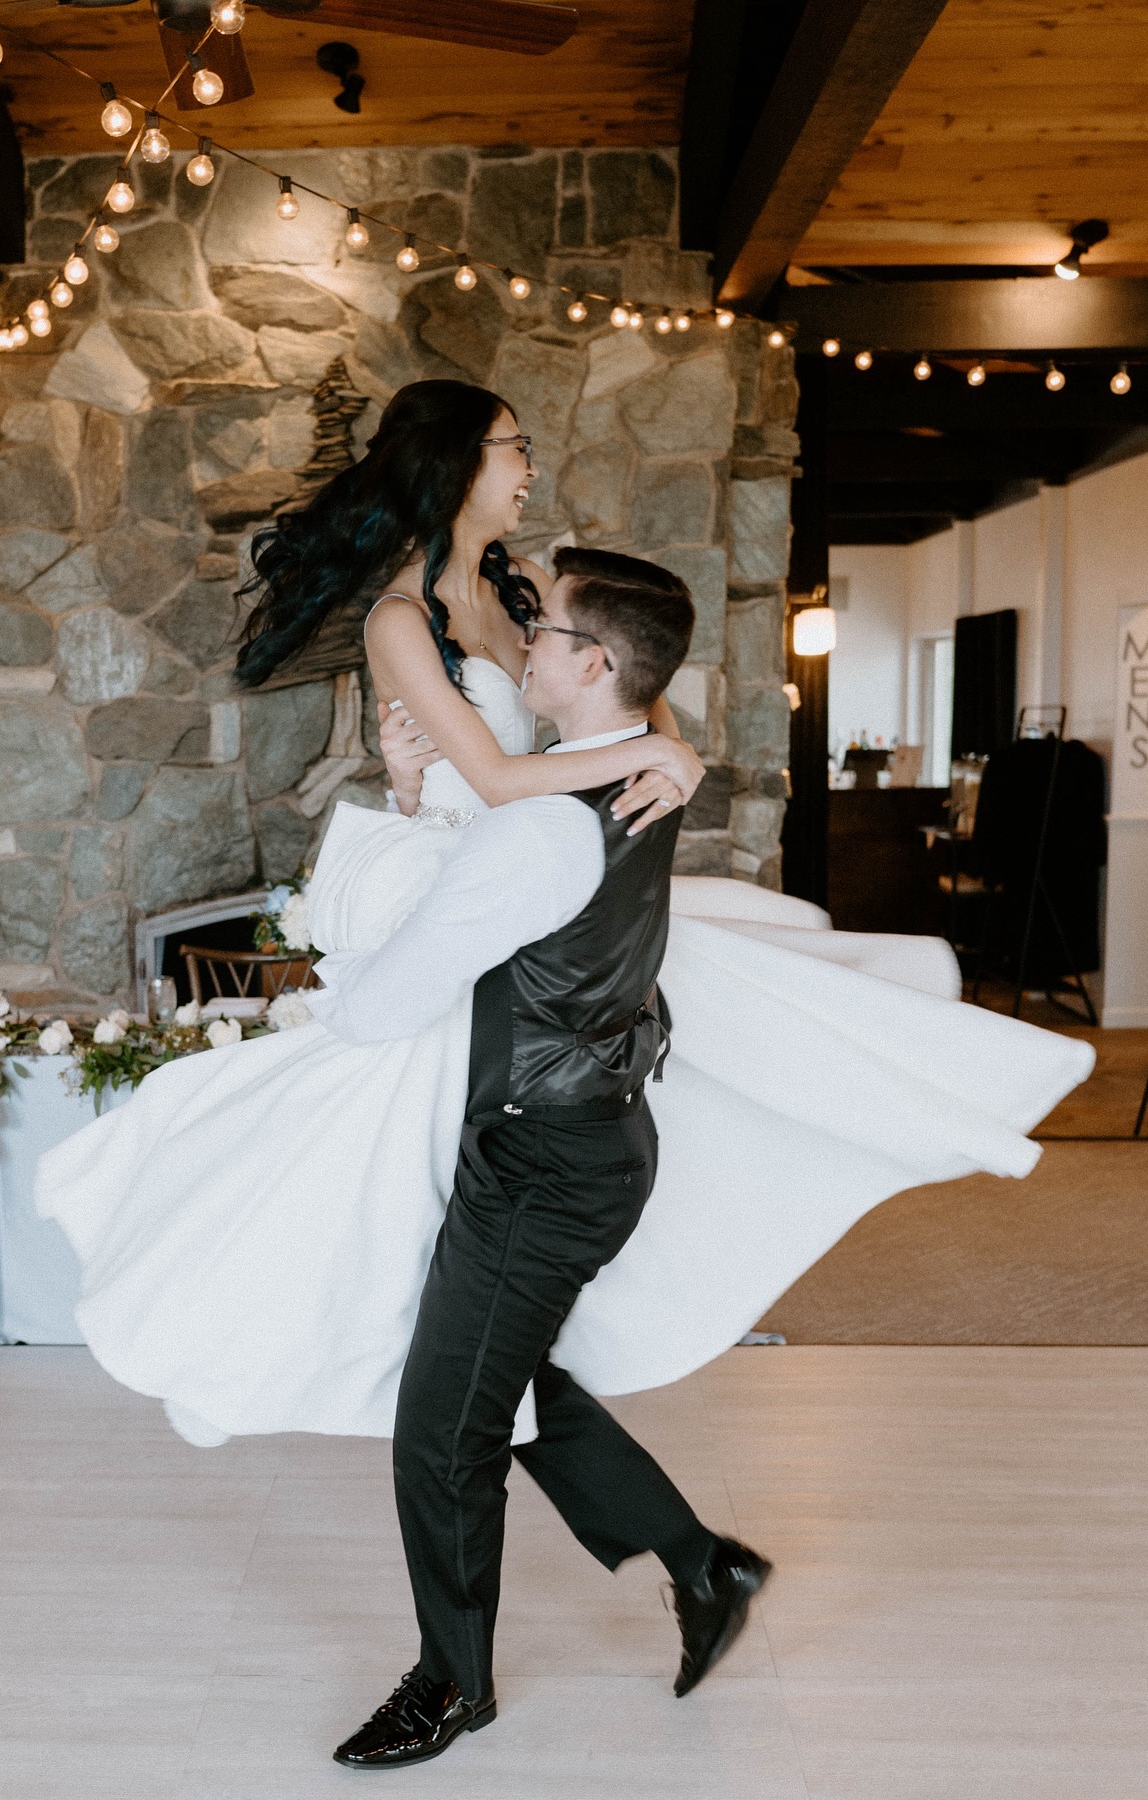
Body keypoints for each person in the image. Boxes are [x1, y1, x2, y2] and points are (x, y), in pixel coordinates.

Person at [35, 378, 1090, 1554]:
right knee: (382, 1182)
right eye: (512, 446)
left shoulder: (525, 583)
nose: (529, 465)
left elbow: (633, 701)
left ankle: (642, 1495)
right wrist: (464, 776)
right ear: (454, 463)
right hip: (473, 874)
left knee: (737, 1009)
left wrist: (675, 758)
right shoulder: (400, 620)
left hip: (537, 883)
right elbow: (492, 779)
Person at [317, 550, 771, 1768]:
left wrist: (323, 1000)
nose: (526, 639)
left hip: (541, 1162)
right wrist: (414, 798)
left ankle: (449, 1685)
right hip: (580, 1143)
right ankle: (704, 1565)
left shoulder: (547, 827)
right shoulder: (628, 778)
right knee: (495, 1384)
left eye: (548, 628)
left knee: (441, 1430)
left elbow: (383, 1001)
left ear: (596, 664)